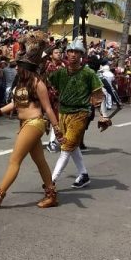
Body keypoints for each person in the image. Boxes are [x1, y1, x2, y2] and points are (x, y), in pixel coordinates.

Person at [0, 32, 62, 209]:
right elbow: (15, 104)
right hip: (25, 124)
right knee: (40, 162)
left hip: (35, 123)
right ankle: (51, 195)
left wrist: (57, 129)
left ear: (27, 66)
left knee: (14, 160)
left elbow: (48, 108)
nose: (16, 68)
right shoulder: (22, 83)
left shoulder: (38, 83)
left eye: (19, 66)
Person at [45, 38, 104, 191]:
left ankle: (51, 181)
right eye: (70, 51)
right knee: (73, 146)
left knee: (66, 147)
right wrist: (44, 55)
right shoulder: (60, 73)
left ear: (81, 55)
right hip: (63, 113)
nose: (73, 54)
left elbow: (98, 95)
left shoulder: (88, 73)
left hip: (80, 114)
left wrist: (102, 115)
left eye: (76, 52)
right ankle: (83, 174)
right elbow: (45, 80)